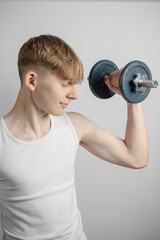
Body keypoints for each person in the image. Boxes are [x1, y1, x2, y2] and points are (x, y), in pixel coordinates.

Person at [0, 35, 148, 240]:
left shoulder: (74, 126)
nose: (74, 95)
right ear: (32, 80)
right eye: (65, 84)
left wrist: (131, 92)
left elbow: (136, 157)